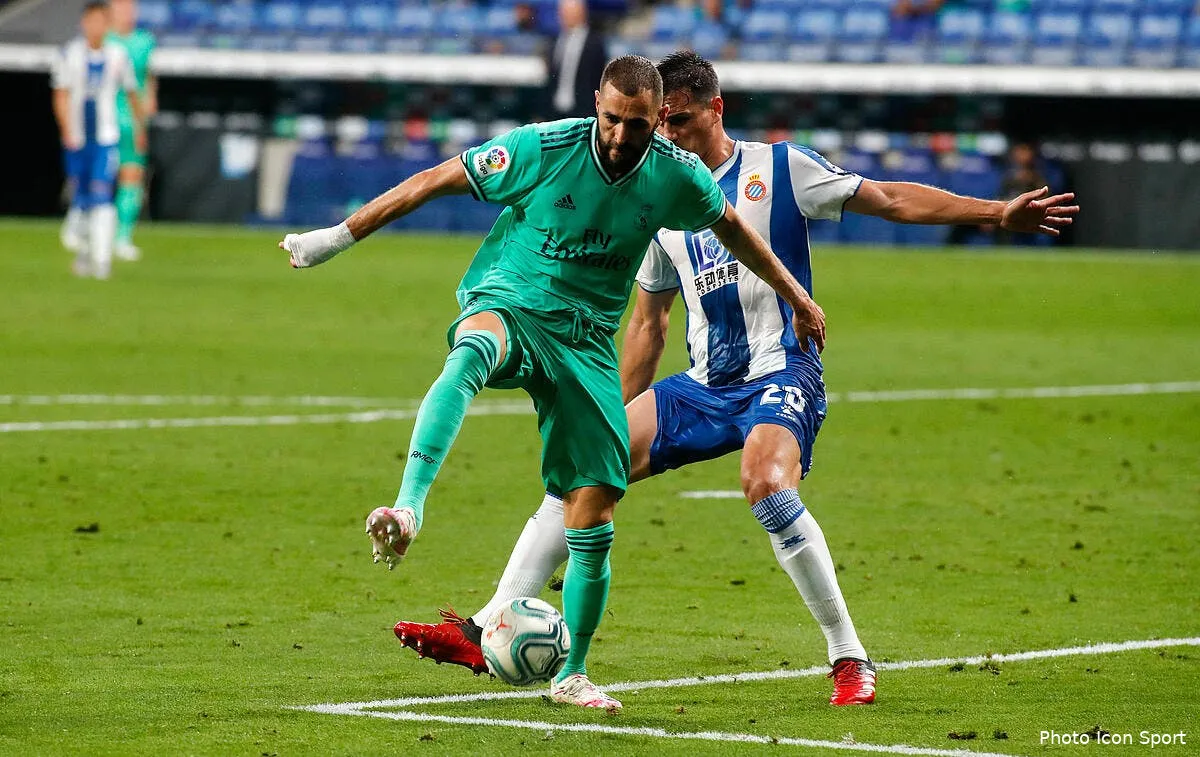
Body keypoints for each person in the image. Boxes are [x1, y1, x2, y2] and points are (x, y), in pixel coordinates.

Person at [388, 51, 1079, 706]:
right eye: (656, 122)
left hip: (782, 372)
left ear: (714, 110)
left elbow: (892, 199)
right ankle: (485, 630)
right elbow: (648, 323)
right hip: (704, 383)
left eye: (677, 120)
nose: (660, 134)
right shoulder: (659, 199)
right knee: (584, 473)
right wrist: (605, 412)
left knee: (765, 481)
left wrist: (997, 213)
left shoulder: (780, 170)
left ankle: (848, 654)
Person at [277, 55, 826, 712]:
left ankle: (573, 671)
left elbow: (733, 229)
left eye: (640, 125)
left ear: (660, 120)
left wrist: (795, 294)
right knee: (474, 350)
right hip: (516, 301)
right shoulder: (543, 147)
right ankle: (408, 506)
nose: (623, 137)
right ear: (597, 103)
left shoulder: (673, 175)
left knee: (592, 510)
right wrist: (334, 238)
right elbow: (432, 179)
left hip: (587, 343)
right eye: (614, 120)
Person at [53, 1, 145, 280]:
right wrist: (67, 129)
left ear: (107, 25)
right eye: (90, 21)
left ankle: (103, 261)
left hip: (106, 138)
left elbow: (131, 93)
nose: (95, 27)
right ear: (83, 23)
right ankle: (84, 255)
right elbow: (61, 95)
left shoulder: (118, 55)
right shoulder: (69, 54)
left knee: (102, 196)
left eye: (100, 21)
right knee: (82, 200)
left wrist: (139, 130)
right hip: (78, 140)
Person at [107, 0, 157, 261]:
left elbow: (148, 75)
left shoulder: (144, 41)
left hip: (133, 119)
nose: (127, 13)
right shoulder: (104, 40)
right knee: (100, 177)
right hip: (105, 119)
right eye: (121, 7)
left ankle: (122, 237)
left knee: (132, 175)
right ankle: (84, 228)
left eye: (130, 8)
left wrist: (150, 102)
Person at [546, 0, 607, 120]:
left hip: (584, 111)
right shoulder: (554, 41)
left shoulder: (595, 43)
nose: (563, 16)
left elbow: (598, 78)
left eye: (569, 12)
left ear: (581, 13)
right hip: (555, 110)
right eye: (562, 12)